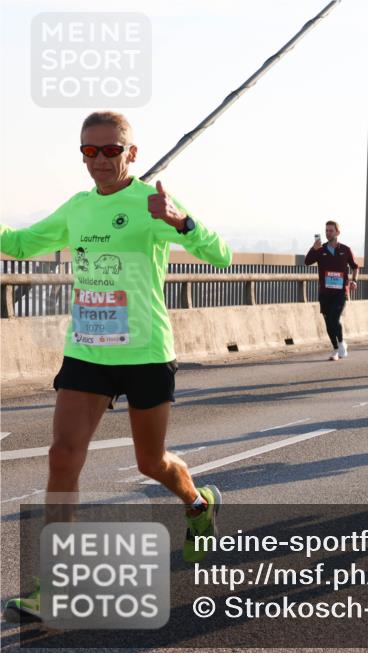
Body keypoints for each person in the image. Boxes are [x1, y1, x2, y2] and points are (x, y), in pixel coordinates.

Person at [2, 111, 231, 619]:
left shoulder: (152, 203)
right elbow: (19, 244)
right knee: (63, 456)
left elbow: (221, 256)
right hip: (88, 351)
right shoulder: (78, 208)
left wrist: (181, 222)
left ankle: (198, 503)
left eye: (111, 150)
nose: (100, 160)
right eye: (90, 151)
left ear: (131, 153)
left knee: (152, 462)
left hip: (146, 353)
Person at [304, 220, 359, 360]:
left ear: (337, 232)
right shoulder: (320, 249)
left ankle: (341, 343)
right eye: (326, 231)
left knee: (334, 318)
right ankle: (335, 349)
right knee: (328, 322)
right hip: (325, 293)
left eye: (331, 231)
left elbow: (355, 267)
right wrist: (313, 248)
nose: (328, 233)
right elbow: (307, 262)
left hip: (340, 292)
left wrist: (354, 281)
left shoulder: (345, 250)